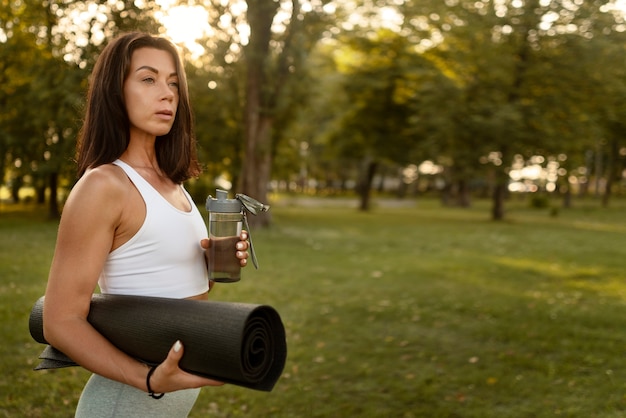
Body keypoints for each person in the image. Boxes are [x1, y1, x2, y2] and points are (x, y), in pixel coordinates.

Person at [42, 32, 249, 417]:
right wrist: (148, 379)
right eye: (148, 78)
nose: (168, 93)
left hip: (173, 395)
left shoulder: (174, 184)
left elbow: (175, 288)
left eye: (173, 83)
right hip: (130, 398)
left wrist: (216, 263)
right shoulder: (103, 185)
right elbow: (60, 320)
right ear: (114, 91)